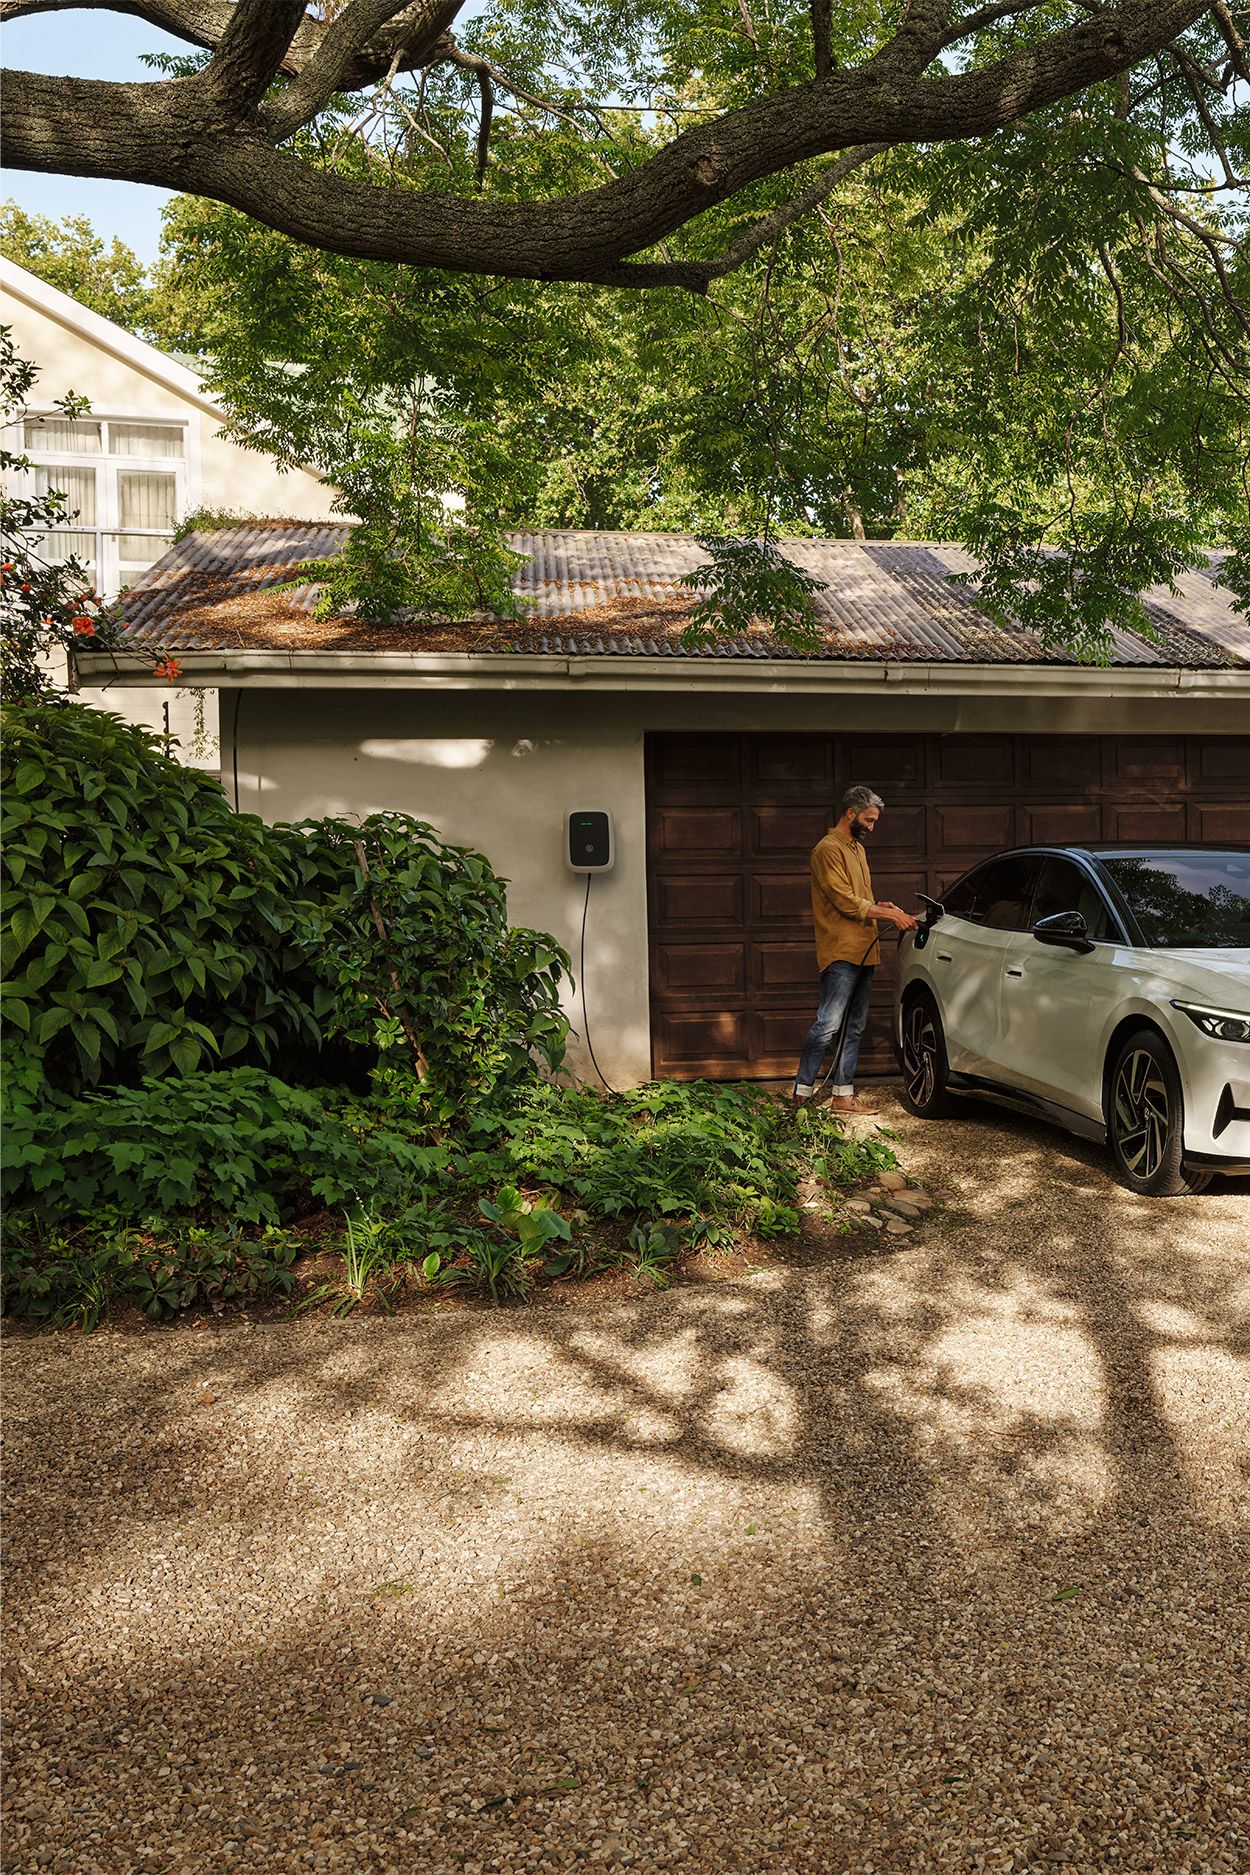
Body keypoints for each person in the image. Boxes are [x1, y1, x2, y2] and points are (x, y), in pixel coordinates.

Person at [792, 785, 919, 1116]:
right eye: (869, 820)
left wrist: (880, 905)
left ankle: (842, 1097)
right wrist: (891, 915)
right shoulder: (827, 850)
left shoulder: (857, 849)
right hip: (840, 953)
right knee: (828, 1025)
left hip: (865, 949)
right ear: (851, 813)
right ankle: (800, 1095)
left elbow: (859, 898)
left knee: (855, 1027)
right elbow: (845, 901)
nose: (872, 827)